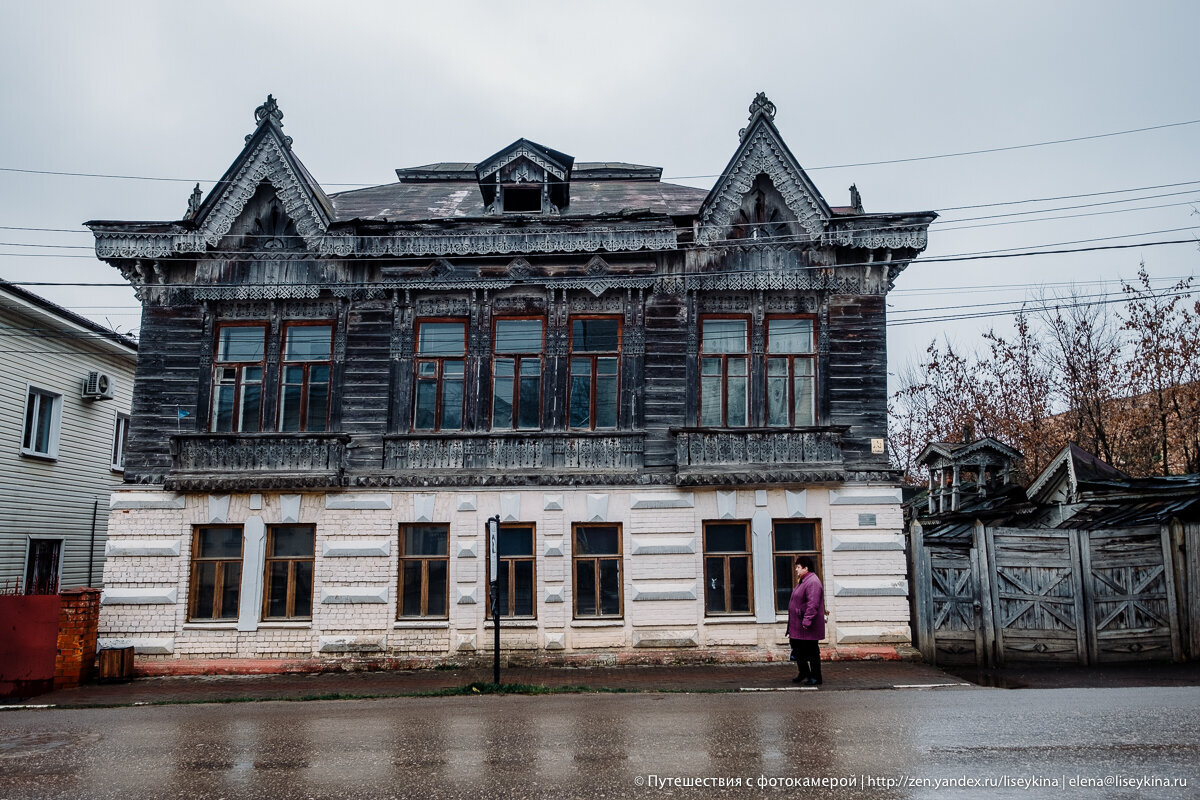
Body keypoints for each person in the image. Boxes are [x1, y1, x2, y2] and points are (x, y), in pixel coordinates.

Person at [787, 555, 825, 686]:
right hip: (798, 624)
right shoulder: (803, 580)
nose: (796, 570)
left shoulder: (812, 582)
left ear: (806, 568)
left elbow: (813, 604)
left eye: (798, 567)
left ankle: (816, 677)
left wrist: (807, 621)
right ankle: (804, 673)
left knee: (812, 651)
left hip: (807, 625)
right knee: (797, 649)